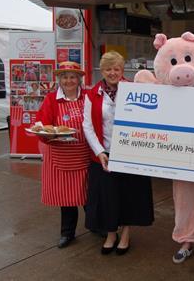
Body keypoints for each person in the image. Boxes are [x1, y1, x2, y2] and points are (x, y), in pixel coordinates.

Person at [83, 51, 154, 255]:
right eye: (108, 69)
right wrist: (99, 152)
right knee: (108, 197)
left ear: (122, 70)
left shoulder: (134, 90)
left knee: (128, 195)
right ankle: (111, 233)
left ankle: (125, 234)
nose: (112, 73)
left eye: (116, 69)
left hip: (130, 153)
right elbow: (87, 126)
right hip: (104, 153)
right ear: (102, 71)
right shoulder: (92, 94)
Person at [35, 61, 90, 248]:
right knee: (66, 197)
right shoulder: (51, 99)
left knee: (89, 195)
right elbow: (42, 125)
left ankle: (96, 226)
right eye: (65, 77)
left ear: (79, 79)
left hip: (84, 154)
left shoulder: (88, 97)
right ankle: (67, 233)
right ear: (60, 79)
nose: (69, 80)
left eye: (73, 77)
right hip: (60, 155)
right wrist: (49, 136)